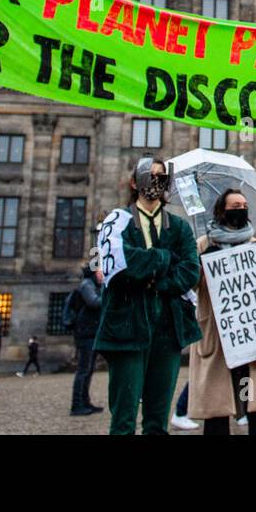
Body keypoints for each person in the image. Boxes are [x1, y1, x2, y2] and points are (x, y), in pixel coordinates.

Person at [94, 157, 201, 435]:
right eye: (150, 175)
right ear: (134, 183)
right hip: (126, 327)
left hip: (168, 329)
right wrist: (164, 257)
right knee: (124, 419)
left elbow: (190, 271)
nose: (156, 181)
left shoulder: (179, 227)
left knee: (157, 420)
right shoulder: (115, 221)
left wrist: (151, 280)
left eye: (161, 176)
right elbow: (119, 269)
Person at [188, 189, 256, 435]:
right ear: (221, 210)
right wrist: (202, 264)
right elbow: (187, 284)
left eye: (244, 205)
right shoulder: (203, 244)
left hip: (249, 344)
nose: (240, 209)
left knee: (253, 404)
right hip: (217, 340)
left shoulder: (254, 245)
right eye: (235, 205)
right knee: (217, 410)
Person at [68, 264, 104, 416]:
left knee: (88, 369)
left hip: (91, 332)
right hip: (85, 333)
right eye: (100, 271)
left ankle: (85, 401)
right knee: (83, 370)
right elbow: (94, 302)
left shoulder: (91, 285)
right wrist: (108, 292)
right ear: (94, 272)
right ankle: (77, 405)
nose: (102, 274)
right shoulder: (86, 285)